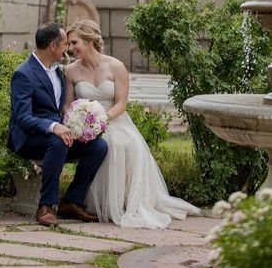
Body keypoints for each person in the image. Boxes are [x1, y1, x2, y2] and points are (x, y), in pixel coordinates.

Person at [64, 19, 200, 228]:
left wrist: (103, 119)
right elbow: (67, 106)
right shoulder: (70, 71)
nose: (70, 48)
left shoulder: (115, 66)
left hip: (114, 120)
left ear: (89, 40)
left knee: (123, 144)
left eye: (74, 43)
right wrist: (77, 123)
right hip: (85, 127)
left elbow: (121, 103)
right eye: (69, 44)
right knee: (102, 145)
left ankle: (124, 202)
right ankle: (94, 202)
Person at [8, 21, 108, 227]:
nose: (68, 48)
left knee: (99, 146)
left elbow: (62, 108)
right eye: (64, 44)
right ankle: (45, 206)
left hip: (58, 136)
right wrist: (54, 127)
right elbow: (23, 118)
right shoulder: (23, 74)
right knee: (59, 141)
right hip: (29, 138)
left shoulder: (59, 71)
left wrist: (78, 124)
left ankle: (71, 201)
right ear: (53, 46)